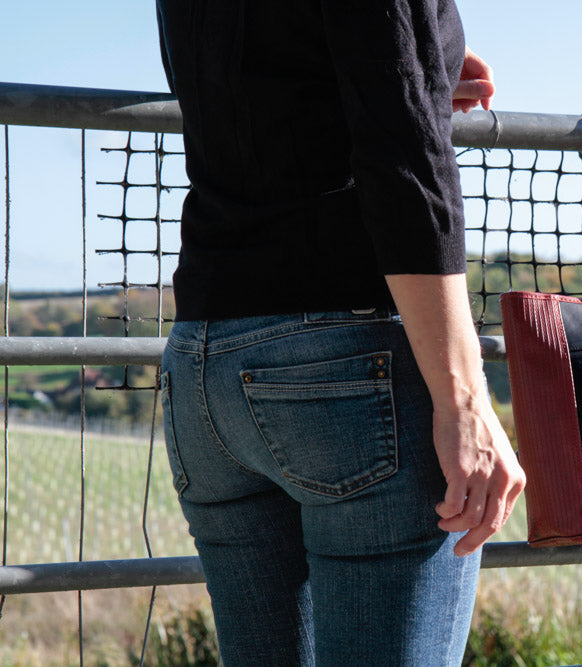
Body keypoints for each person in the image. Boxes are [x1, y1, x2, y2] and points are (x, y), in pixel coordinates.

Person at [155, 1, 525, 664]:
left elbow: (250, 73)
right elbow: (404, 153)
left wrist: (424, 61)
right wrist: (464, 394)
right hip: (344, 375)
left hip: (203, 368)